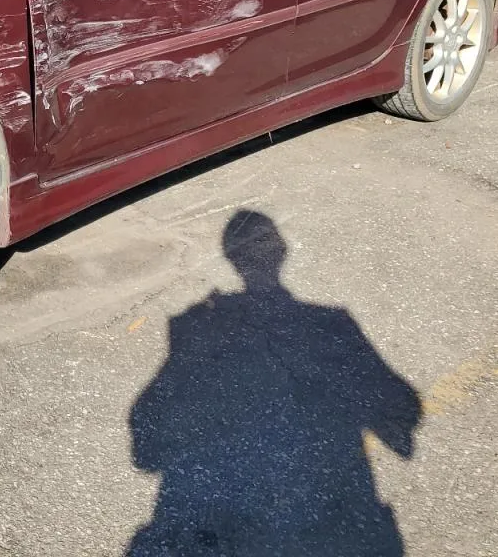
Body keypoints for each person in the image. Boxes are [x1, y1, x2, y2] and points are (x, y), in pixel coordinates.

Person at [130, 210, 422, 556]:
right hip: (327, 508)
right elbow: (402, 404)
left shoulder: (194, 324)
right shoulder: (332, 323)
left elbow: (146, 437)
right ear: (283, 252)